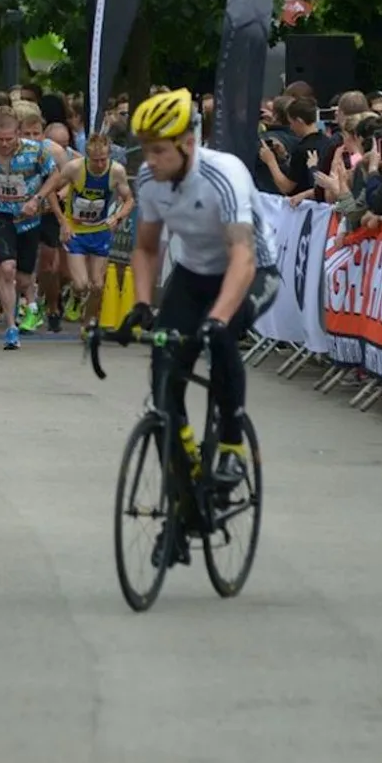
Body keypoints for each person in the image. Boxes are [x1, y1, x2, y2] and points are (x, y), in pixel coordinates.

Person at [118, 89, 277, 517]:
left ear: (188, 143)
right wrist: (141, 304)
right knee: (164, 371)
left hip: (251, 270)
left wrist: (218, 319)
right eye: (145, 150)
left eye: (159, 150)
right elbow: (146, 248)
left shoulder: (223, 174)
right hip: (193, 274)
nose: (150, 160)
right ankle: (184, 490)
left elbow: (242, 257)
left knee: (219, 338)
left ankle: (231, 445)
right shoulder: (149, 180)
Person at [0, 106, 55, 350]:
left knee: (23, 278)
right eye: (0, 139)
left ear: (18, 132)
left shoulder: (36, 151)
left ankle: (31, 305)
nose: (5, 144)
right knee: (6, 269)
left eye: (10, 139)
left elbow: (54, 175)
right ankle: (10, 328)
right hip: (2, 215)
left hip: (29, 218)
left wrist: (37, 199)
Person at [38, 133, 133, 336]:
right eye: (95, 160)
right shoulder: (74, 168)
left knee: (97, 285)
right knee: (81, 284)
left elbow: (129, 200)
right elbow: (51, 191)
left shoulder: (116, 171)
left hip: (99, 230)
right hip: (76, 231)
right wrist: (63, 222)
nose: (99, 164)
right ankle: (75, 295)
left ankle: (88, 324)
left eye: (103, 159)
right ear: (87, 157)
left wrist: (117, 217)